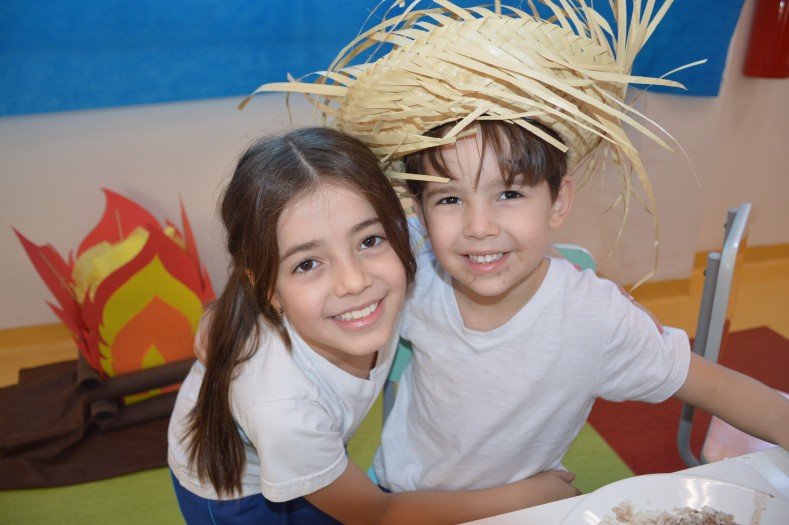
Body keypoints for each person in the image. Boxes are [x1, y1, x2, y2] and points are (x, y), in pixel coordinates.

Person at [241, 0, 789, 498]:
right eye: (450, 198)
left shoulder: (596, 320)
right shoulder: (409, 265)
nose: (480, 227)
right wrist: (226, 316)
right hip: (404, 495)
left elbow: (714, 384)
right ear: (419, 210)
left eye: (508, 193)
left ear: (558, 200)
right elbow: (303, 266)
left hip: (525, 508)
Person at [166, 126, 579, 525]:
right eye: (307, 263)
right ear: (268, 289)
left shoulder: (407, 250)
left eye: (368, 240)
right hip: (237, 494)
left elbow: (488, 242)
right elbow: (379, 516)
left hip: (313, 445)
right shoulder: (281, 408)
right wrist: (529, 496)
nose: (355, 282)